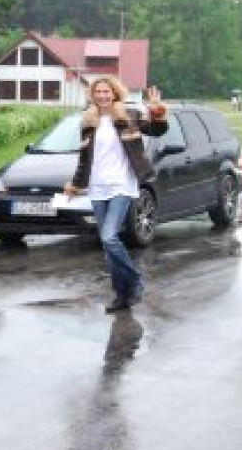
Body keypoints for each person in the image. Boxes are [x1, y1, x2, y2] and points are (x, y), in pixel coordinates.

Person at [64, 76, 168, 313]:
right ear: (93, 95)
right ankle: (123, 295)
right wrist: (76, 184)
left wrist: (157, 111)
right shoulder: (88, 121)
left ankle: (135, 280)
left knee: (109, 237)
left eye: (106, 91)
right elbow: (84, 159)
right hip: (97, 187)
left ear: (115, 93)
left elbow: (157, 130)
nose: (102, 95)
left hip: (122, 184)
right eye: (98, 92)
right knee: (108, 245)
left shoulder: (129, 115)